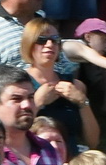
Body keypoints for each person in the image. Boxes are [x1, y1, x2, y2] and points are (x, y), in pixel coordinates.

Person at [19, 16, 99, 153]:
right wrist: (37, 104)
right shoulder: (18, 84)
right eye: (42, 40)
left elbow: (93, 142)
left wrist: (82, 102)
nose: (49, 45)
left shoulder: (75, 85)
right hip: (33, 157)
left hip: (69, 160)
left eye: (55, 40)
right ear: (29, 43)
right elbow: (12, 134)